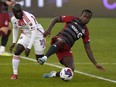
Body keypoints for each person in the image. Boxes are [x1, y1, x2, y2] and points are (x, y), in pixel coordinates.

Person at [38, 9, 105, 79]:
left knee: (71, 70)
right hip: (58, 40)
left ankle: (53, 74)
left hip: (66, 48)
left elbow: (87, 48)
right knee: (62, 41)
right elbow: (56, 19)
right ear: (81, 15)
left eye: (88, 18)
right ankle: (44, 58)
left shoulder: (85, 31)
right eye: (84, 16)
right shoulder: (72, 19)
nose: (86, 19)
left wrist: (95, 63)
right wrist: (49, 30)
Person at [9, 4, 46, 80]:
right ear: (13, 12)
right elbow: (15, 28)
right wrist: (14, 42)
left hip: (38, 35)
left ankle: (53, 49)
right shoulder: (13, 19)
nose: (19, 14)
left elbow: (34, 32)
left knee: (40, 60)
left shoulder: (28, 18)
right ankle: (15, 74)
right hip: (26, 35)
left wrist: (29, 47)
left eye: (20, 11)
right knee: (17, 51)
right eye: (17, 12)